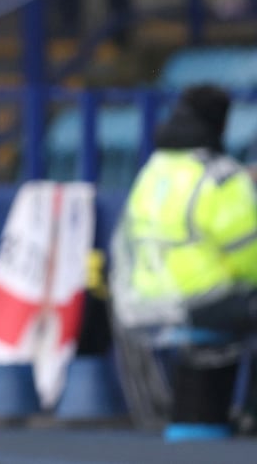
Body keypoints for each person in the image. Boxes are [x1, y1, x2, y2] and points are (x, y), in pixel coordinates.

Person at [110, 84, 257, 433]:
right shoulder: (221, 178)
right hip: (196, 301)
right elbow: (250, 261)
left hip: (139, 301)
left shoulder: (154, 170)